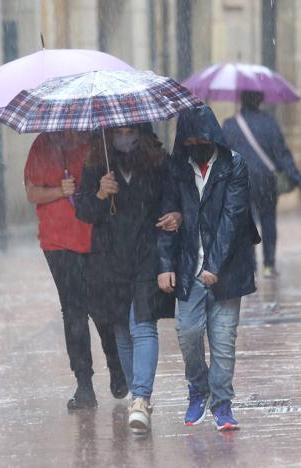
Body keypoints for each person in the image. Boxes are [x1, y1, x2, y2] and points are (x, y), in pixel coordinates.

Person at [157, 106, 261, 431]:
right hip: (188, 266)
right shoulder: (176, 169)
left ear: (213, 135)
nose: (195, 143)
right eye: (188, 139)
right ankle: (198, 389)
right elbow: (167, 215)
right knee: (187, 333)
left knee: (223, 338)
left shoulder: (234, 166)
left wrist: (214, 265)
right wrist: (164, 264)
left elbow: (232, 218)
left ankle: (222, 403)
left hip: (228, 269)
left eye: (200, 137)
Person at [76, 124, 180, 434]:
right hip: (109, 259)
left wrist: (176, 216)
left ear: (140, 131)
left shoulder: (158, 162)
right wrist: (99, 193)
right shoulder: (97, 165)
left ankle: (141, 399)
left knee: (143, 324)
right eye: (117, 131)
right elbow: (83, 211)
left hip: (146, 253)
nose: (124, 137)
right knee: (121, 328)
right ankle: (139, 397)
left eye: (129, 130)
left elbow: (171, 200)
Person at [25, 131, 128, 410]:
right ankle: (84, 383)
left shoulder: (99, 143)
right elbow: (32, 192)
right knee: (73, 311)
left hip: (94, 239)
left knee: (100, 306)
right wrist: (60, 191)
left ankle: (116, 365)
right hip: (57, 241)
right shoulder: (43, 145)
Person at [222, 91, 301, 278]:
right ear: (261, 100)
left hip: (241, 180)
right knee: (268, 220)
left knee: (246, 224)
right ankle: (269, 264)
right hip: (266, 181)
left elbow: (222, 156)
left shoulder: (230, 125)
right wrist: (298, 178)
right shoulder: (270, 123)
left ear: (241, 101)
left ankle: (250, 265)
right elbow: (282, 154)